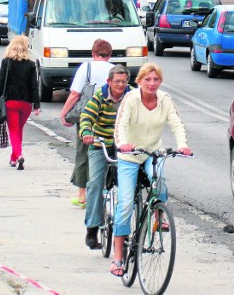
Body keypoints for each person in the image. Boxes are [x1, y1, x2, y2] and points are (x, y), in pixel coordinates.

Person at [110, 63, 193, 277]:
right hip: (129, 154)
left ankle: (158, 216)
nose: (152, 83)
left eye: (156, 80)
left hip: (151, 152)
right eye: (148, 79)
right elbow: (121, 125)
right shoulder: (131, 99)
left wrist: (182, 145)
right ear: (139, 81)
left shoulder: (165, 99)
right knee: (126, 203)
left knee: (160, 183)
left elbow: (176, 123)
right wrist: (123, 144)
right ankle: (118, 256)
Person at [80, 65, 133, 249]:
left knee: (130, 186)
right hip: (100, 144)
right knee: (95, 183)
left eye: (124, 81)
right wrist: (87, 131)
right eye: (117, 81)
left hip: (124, 146)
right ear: (109, 82)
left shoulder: (132, 96)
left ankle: (125, 229)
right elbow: (86, 116)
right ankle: (92, 228)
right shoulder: (99, 97)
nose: (120, 85)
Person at [60, 39, 114, 208]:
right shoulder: (115, 70)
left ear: (93, 53)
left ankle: (82, 196)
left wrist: (64, 113)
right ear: (110, 55)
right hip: (107, 116)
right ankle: (104, 190)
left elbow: (75, 94)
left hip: (88, 117)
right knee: (106, 152)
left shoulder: (86, 67)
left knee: (83, 152)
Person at [0, 35, 41, 170]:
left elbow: (0, 83)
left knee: (14, 131)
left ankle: (19, 155)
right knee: (18, 130)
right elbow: (34, 86)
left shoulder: (6, 63)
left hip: (10, 103)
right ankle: (13, 158)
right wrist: (36, 105)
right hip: (26, 104)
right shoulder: (31, 65)